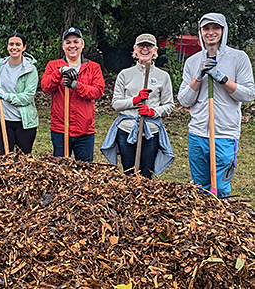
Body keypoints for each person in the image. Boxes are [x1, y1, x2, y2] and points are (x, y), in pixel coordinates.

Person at [178, 13, 255, 197]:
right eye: (206, 29)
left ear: (223, 30)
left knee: (220, 188)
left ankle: (221, 221)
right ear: (200, 32)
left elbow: (249, 95)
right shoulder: (192, 62)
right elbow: (184, 100)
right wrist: (198, 76)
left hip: (224, 134)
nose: (211, 32)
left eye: (216, 28)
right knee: (200, 188)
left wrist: (221, 77)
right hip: (197, 134)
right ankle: (205, 224)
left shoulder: (238, 58)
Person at [101, 34, 175, 178]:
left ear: (155, 50)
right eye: (141, 45)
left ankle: (144, 199)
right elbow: (116, 103)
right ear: (135, 49)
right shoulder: (125, 74)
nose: (145, 49)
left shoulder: (163, 76)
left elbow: (169, 105)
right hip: (126, 130)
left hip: (150, 132)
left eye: (149, 46)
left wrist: (152, 111)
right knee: (129, 171)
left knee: (146, 172)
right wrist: (135, 100)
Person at [40, 27, 104, 161]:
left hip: (85, 130)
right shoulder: (53, 65)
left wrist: (76, 86)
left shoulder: (93, 67)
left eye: (76, 41)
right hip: (61, 130)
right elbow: (46, 86)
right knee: (61, 173)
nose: (72, 45)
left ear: (82, 44)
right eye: (68, 42)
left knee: (85, 171)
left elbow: (97, 91)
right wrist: (60, 72)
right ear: (63, 46)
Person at [0, 32, 38, 154]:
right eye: (11, 44)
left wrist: (6, 96)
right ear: (7, 46)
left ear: (24, 47)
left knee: (23, 160)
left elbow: (28, 97)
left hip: (24, 123)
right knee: (3, 158)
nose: (14, 47)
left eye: (18, 44)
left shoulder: (30, 69)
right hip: (3, 120)